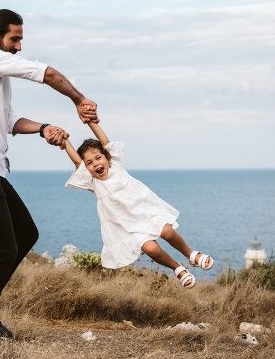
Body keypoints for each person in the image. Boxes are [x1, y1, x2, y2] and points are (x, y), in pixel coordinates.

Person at [0, 9, 99, 339]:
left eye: (20, 40)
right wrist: (79, 99)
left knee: (26, 234)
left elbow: (10, 120)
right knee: (4, 248)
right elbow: (44, 73)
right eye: (14, 39)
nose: (18, 47)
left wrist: (43, 128)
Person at [63, 111, 213, 288]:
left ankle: (191, 254)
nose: (95, 164)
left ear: (107, 157)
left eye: (98, 158)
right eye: (89, 163)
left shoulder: (116, 165)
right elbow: (77, 163)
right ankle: (177, 268)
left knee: (167, 232)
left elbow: (105, 141)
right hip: (127, 227)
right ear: (86, 169)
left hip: (144, 211)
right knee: (152, 250)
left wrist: (89, 121)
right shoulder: (93, 183)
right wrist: (64, 141)